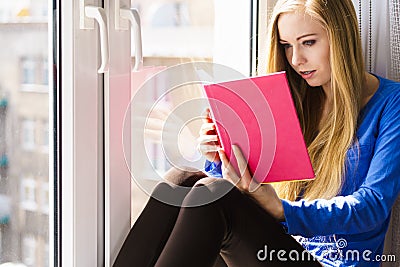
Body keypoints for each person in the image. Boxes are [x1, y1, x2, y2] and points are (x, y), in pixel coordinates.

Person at [114, 0, 400, 266]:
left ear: (341, 38)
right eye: (287, 46)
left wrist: (282, 210)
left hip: (334, 261)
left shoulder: (390, 103)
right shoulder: (297, 100)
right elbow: (230, 197)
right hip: (278, 249)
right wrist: (219, 158)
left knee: (214, 196)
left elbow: (372, 205)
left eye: (308, 43)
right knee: (182, 180)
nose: (296, 59)